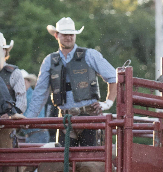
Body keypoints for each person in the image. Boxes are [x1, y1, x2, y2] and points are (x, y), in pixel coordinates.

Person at [26, 17, 117, 147]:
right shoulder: (49, 61)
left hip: (89, 116)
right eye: (65, 34)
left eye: (71, 34)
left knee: (91, 162)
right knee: (65, 162)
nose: (68, 37)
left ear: (75, 35)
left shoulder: (90, 55)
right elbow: (40, 92)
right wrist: (29, 118)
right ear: (57, 36)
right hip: (65, 119)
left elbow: (114, 77)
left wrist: (108, 103)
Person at [0, 37, 23, 143]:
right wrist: (11, 111)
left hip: (5, 120)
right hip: (3, 118)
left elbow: (22, 101)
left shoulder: (14, 72)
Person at [19, 72, 50, 144]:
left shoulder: (31, 96)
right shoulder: (30, 96)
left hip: (37, 132)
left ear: (29, 82)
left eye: (23, 82)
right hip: (35, 132)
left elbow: (26, 115)